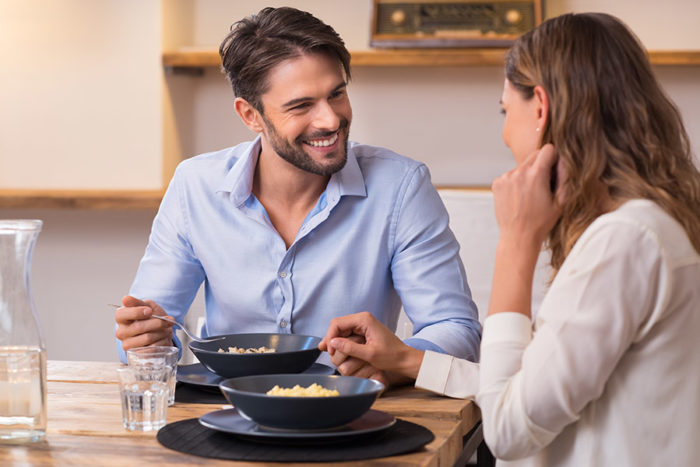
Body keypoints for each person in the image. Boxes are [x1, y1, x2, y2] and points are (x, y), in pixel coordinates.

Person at [319, 12, 700, 465]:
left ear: (540, 107)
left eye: (506, 110)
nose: (505, 133)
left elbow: (508, 429)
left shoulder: (623, 242)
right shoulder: (651, 225)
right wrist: (411, 362)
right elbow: (534, 388)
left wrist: (514, 245)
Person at [113, 6, 481, 384]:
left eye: (336, 94)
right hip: (224, 414)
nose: (331, 119)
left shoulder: (401, 186)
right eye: (302, 105)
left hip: (349, 414)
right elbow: (148, 332)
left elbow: (457, 330)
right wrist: (144, 341)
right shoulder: (196, 186)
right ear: (250, 115)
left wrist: (400, 361)